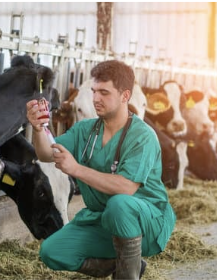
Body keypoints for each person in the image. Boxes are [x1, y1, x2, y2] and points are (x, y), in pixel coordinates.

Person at [26, 60, 176, 279]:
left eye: (104, 93)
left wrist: (76, 169)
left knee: (120, 204)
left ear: (125, 96)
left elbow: (125, 187)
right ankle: (127, 262)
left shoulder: (143, 136)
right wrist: (39, 128)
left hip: (146, 223)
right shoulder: (85, 130)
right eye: (94, 91)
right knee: (52, 251)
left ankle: (127, 275)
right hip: (103, 219)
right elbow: (47, 153)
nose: (96, 99)